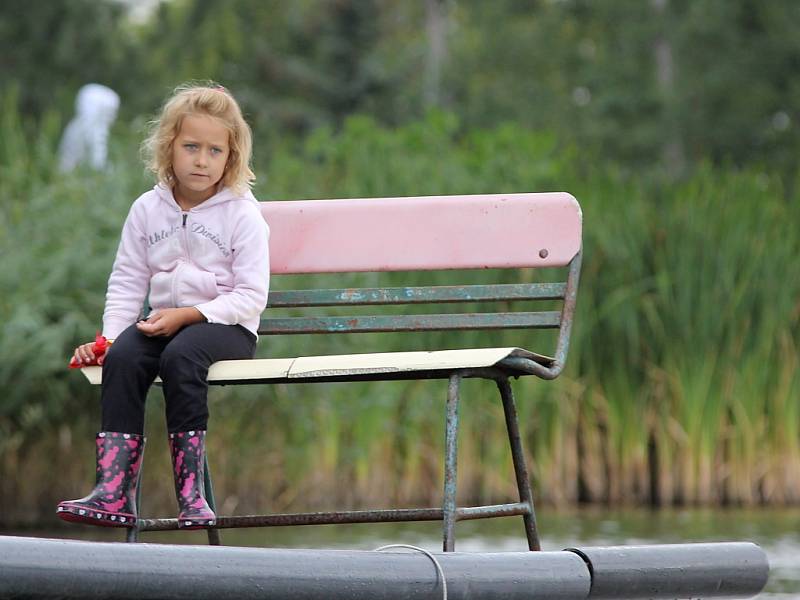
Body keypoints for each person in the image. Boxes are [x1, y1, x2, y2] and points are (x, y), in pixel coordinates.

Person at [56, 83, 270, 529]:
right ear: (167, 147)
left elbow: (251, 296)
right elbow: (128, 279)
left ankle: (192, 495)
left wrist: (190, 314)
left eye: (215, 150)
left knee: (182, 355)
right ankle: (113, 491)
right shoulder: (146, 210)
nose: (201, 159)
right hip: (163, 324)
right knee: (126, 356)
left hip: (224, 326)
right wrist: (108, 339)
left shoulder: (241, 215)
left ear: (230, 157)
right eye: (191, 146)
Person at [58, 83, 120, 172]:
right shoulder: (96, 131)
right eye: (110, 112)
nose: (113, 117)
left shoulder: (75, 127)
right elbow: (98, 164)